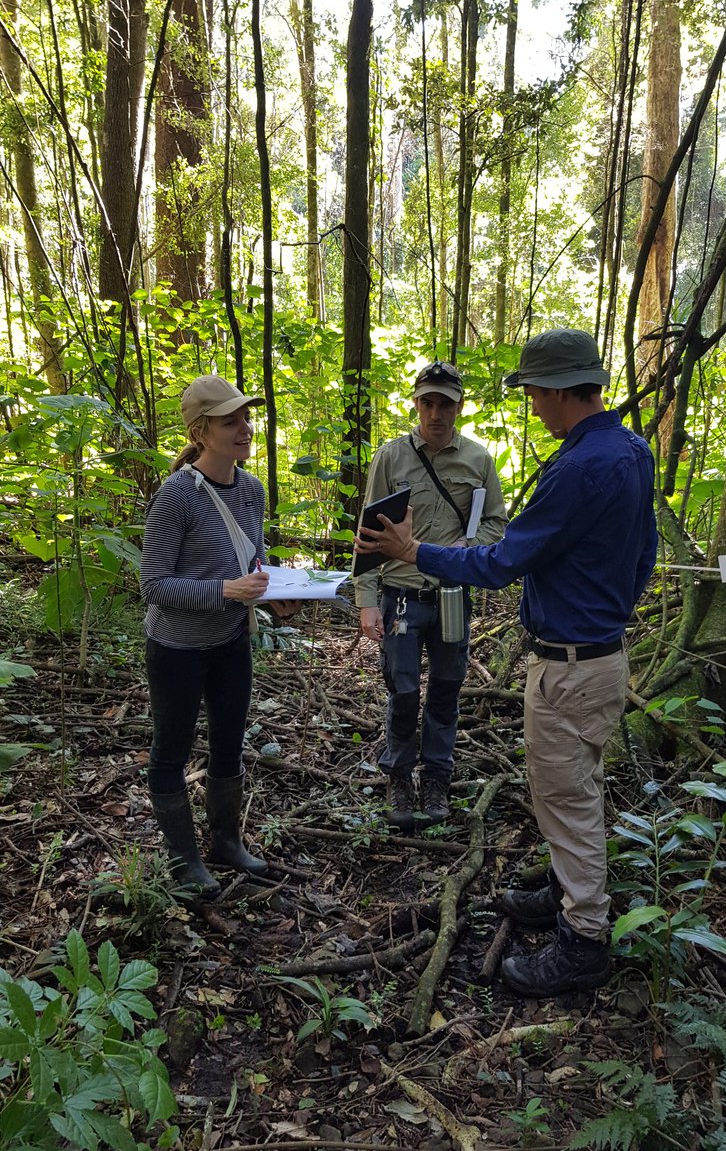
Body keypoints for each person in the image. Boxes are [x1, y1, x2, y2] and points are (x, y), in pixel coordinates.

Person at [355, 329, 657, 997]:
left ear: (556, 390)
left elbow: (501, 559)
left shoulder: (579, 467)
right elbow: (645, 556)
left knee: (568, 798)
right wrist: (609, 615)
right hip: (597, 654)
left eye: (533, 394)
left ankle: (582, 940)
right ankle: (561, 890)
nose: (531, 408)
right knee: (573, 786)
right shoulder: (631, 449)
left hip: (572, 665)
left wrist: (416, 554)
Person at [140, 374, 296, 899]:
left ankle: (226, 843)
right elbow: (154, 583)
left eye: (246, 418)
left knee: (229, 744)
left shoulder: (251, 490)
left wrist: (275, 593)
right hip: (177, 648)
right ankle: (185, 861)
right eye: (232, 421)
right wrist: (226, 589)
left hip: (231, 640)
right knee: (172, 751)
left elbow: (250, 560)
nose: (245, 428)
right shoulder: (177, 495)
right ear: (202, 431)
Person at [353, 360, 507, 833]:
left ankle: (437, 778)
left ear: (459, 407)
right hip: (400, 593)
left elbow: (497, 522)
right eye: (428, 402)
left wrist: (471, 546)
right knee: (401, 690)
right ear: (416, 404)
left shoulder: (478, 460)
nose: (436, 413)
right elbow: (367, 531)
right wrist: (365, 598)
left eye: (445, 404)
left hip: (453, 593)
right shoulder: (391, 457)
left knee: (445, 689)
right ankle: (399, 776)